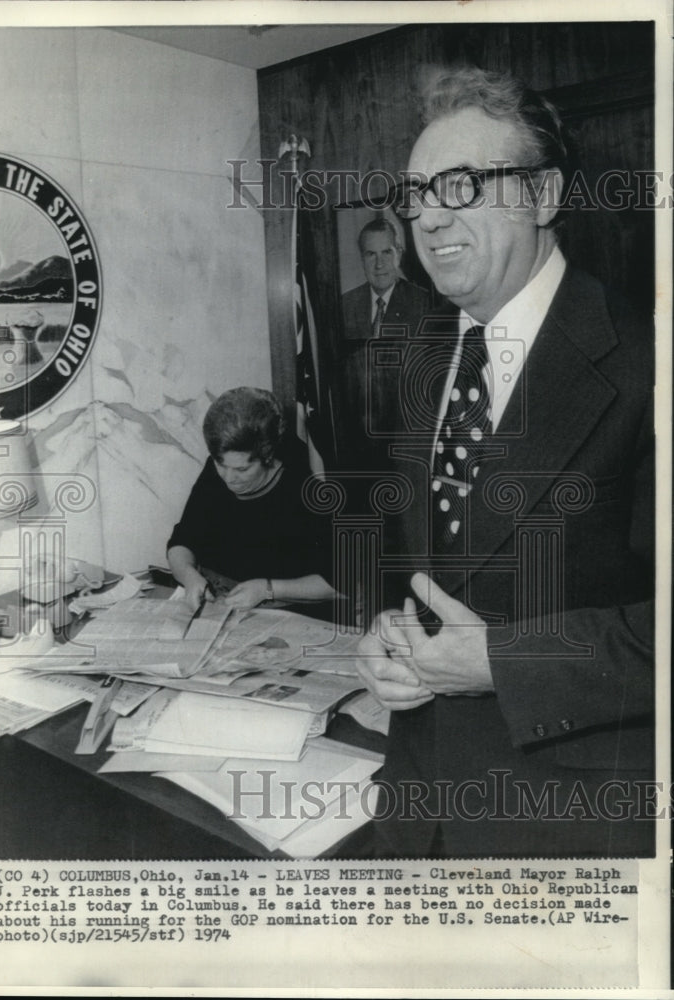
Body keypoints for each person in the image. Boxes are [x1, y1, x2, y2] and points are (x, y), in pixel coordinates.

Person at [355, 66, 654, 858]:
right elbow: (425, 563)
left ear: (544, 196)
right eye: (417, 193)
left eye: (462, 186)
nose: (427, 217)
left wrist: (500, 663)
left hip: (568, 826)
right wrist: (388, 634)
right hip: (418, 808)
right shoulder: (417, 351)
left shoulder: (644, 361)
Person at [167, 386, 335, 612]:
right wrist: (190, 577)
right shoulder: (222, 467)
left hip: (294, 610)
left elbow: (340, 584)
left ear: (269, 456)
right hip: (225, 601)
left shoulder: (308, 481)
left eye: (242, 470)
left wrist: (268, 589)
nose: (228, 478)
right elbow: (183, 540)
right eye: (220, 465)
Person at [341, 218, 432, 470]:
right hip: (357, 446)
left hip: (407, 442)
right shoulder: (344, 306)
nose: (379, 264)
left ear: (399, 253)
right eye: (371, 254)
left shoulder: (424, 305)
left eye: (386, 252)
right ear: (361, 258)